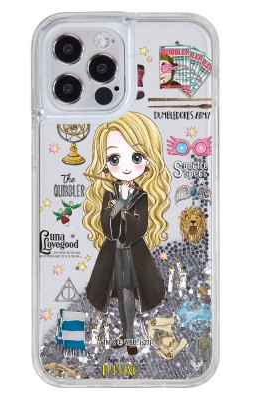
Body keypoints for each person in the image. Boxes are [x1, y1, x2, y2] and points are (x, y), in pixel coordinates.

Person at [83, 112, 171, 355]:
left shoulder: (141, 195)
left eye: (136, 157)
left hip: (134, 253)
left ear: (148, 161)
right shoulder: (108, 194)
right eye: (114, 158)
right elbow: (107, 226)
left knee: (130, 293)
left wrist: (121, 207)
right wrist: (118, 205)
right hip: (114, 253)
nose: (125, 166)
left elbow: (140, 227)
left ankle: (130, 337)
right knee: (122, 294)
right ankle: (127, 336)